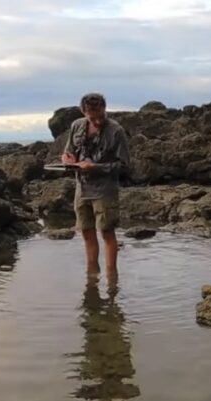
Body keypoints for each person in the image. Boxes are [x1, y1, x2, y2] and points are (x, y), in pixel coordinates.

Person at [62, 93, 130, 276]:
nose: (98, 120)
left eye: (101, 115)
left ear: (104, 108)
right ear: (84, 112)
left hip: (105, 190)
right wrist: (68, 159)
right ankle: (91, 275)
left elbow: (124, 166)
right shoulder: (77, 125)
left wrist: (95, 167)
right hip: (81, 188)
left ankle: (111, 278)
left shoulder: (116, 131)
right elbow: (69, 151)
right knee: (86, 232)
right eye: (93, 117)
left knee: (107, 233)